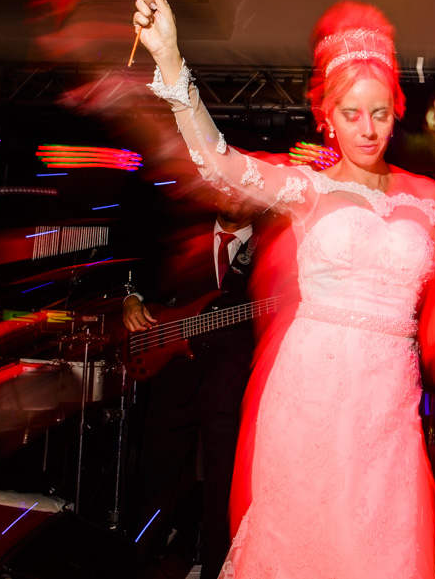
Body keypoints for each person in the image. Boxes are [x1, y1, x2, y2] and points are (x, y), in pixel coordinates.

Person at [132, 0, 435, 579]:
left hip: (389, 408)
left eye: (379, 112)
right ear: (327, 117)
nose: (368, 129)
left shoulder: (428, 200)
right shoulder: (309, 191)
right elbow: (217, 161)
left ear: (396, 109)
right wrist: (170, 57)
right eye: (351, 114)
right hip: (309, 397)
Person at [122, 182, 269, 577]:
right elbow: (140, 276)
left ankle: (218, 571)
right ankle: (135, 566)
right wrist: (131, 299)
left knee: (224, 493)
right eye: (225, 187)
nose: (233, 195)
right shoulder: (183, 239)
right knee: (153, 481)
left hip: (234, 387)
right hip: (173, 379)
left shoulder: (273, 249)